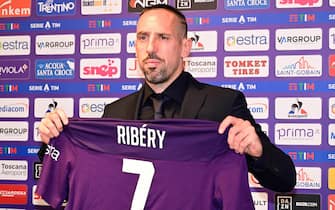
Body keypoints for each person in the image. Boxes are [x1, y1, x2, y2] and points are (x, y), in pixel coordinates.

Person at [38, 4, 296, 193]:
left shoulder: (223, 104)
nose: (151, 48)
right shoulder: (114, 112)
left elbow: (285, 179)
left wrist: (257, 150)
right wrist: (53, 140)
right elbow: (80, 179)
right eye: (142, 37)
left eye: (163, 37)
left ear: (185, 47)